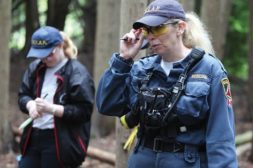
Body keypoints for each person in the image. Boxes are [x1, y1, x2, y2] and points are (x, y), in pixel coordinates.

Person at [96, 0, 237, 167]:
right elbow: (107, 105)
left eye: (159, 28)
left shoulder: (209, 70)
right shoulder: (142, 68)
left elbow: (221, 137)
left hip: (186, 161)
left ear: (180, 27)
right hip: (142, 160)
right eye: (148, 30)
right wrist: (123, 59)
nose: (152, 36)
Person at [18, 26, 95, 168]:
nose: (45, 59)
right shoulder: (35, 68)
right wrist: (30, 105)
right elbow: (23, 95)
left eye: (49, 54)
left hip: (62, 141)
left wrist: (52, 109)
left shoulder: (78, 73)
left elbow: (84, 112)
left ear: (60, 46)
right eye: (40, 55)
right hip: (33, 136)